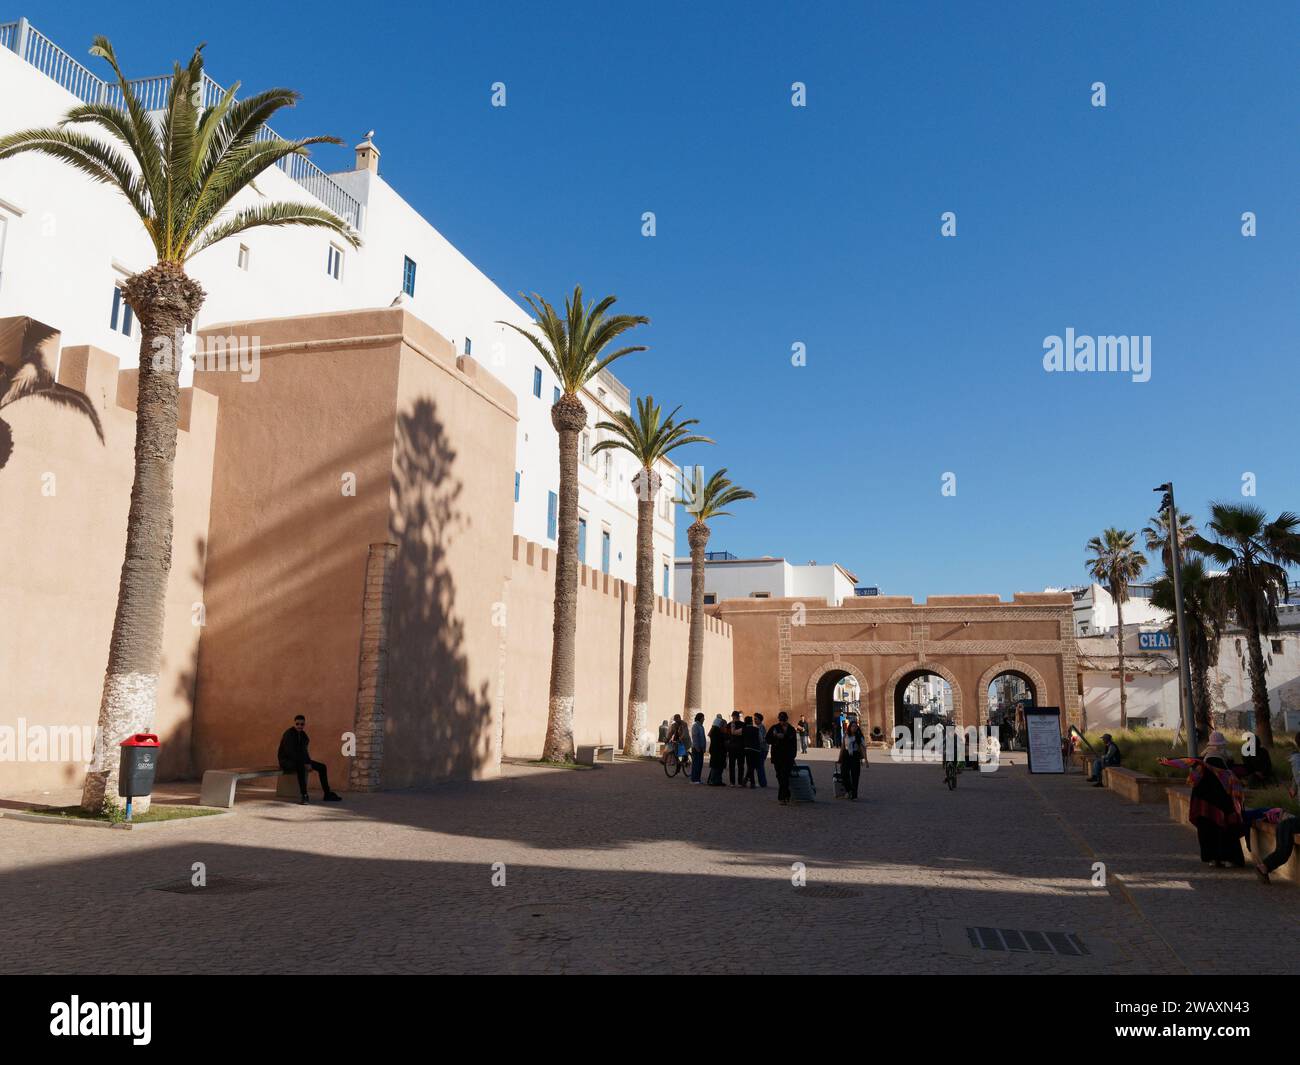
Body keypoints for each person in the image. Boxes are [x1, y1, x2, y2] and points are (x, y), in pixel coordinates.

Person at [1159, 751, 1246, 868]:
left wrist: (1167, 761)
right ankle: (1229, 859)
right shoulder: (1228, 774)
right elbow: (1237, 793)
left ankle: (1212, 859)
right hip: (1224, 813)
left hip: (1204, 811)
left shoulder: (1200, 770)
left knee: (1207, 835)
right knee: (1227, 835)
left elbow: (1186, 766)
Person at [278, 715, 341, 804]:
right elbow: (290, 753)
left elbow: (304, 751)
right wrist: (305, 763)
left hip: (300, 760)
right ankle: (304, 795)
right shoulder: (289, 734)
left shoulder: (303, 735)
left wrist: (308, 762)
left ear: (304, 724)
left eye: (302, 724)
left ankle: (327, 794)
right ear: (294, 723)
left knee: (322, 767)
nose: (299, 726)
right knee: (300, 766)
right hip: (286, 761)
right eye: (297, 724)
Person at [1247, 806, 1300, 883]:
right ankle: (1264, 867)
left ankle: (1263, 866)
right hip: (1285, 827)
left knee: (1281, 852)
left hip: (1283, 825)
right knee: (1282, 853)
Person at [767, 711, 799, 805]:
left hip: (788, 757)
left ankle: (782, 797)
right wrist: (775, 736)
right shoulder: (774, 728)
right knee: (779, 776)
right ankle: (786, 795)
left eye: (783, 720)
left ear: (786, 719)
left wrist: (793, 755)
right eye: (781, 720)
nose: (782, 722)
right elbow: (767, 739)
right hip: (777, 756)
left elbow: (793, 744)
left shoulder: (791, 729)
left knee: (784, 776)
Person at [839, 720, 867, 800]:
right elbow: (842, 747)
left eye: (855, 726)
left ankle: (854, 794)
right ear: (850, 727)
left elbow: (863, 748)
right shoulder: (846, 735)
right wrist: (839, 758)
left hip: (855, 756)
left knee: (855, 776)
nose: (854, 728)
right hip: (846, 755)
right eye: (853, 726)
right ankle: (849, 790)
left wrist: (866, 759)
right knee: (843, 774)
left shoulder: (859, 736)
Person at [741, 715, 763, 788]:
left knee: (750, 766)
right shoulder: (756, 729)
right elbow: (761, 740)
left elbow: (735, 732)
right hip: (756, 750)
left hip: (747, 749)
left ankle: (747, 781)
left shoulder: (743, 729)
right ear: (751, 722)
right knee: (752, 766)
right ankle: (751, 783)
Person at [706, 715, 728, 786]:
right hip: (717, 752)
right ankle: (713, 780)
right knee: (716, 767)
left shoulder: (718, 732)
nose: (725, 727)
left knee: (718, 767)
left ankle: (717, 780)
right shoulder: (717, 732)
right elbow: (719, 743)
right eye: (725, 726)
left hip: (719, 752)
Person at [726, 711, 745, 786]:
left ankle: (732, 782)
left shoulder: (729, 725)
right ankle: (740, 782)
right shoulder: (743, 725)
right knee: (741, 765)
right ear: (738, 716)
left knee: (732, 766)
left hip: (732, 748)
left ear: (733, 716)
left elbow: (726, 737)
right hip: (741, 747)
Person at [689, 712, 707, 783]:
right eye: (703, 718)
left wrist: (704, 747)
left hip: (701, 749)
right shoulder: (695, 726)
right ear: (700, 718)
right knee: (696, 764)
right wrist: (697, 747)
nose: (704, 719)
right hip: (697, 749)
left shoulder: (701, 726)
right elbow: (695, 737)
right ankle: (694, 779)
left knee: (700, 764)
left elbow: (703, 737)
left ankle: (698, 779)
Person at [753, 712, 769, 788]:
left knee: (760, 766)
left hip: (762, 749)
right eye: (754, 719)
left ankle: (762, 783)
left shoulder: (760, 727)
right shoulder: (760, 727)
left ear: (760, 720)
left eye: (756, 719)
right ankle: (762, 782)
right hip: (763, 749)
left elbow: (762, 739)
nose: (754, 720)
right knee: (759, 766)